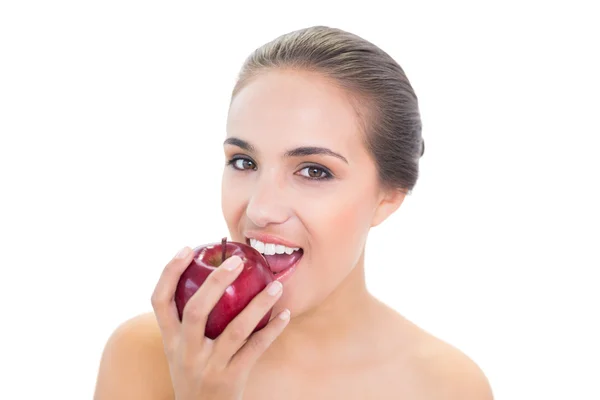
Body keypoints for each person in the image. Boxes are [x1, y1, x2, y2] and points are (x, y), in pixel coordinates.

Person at [94, 25, 493, 399]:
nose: (259, 209)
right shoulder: (148, 355)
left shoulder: (448, 385)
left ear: (389, 195)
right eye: (244, 162)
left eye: (314, 171)